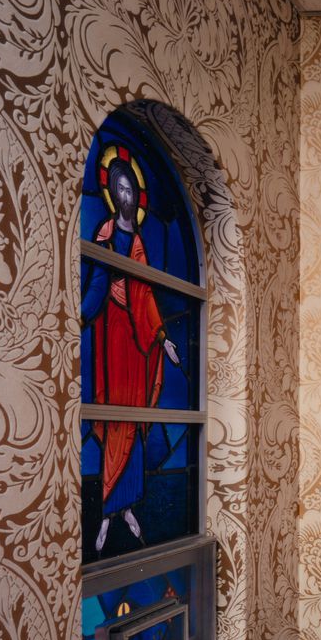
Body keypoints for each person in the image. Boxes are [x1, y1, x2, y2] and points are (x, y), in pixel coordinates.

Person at [81, 147, 180, 552]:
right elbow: (99, 283)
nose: (124, 194)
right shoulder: (104, 233)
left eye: (129, 188)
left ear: (136, 197)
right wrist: (81, 315)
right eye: (119, 187)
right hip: (112, 333)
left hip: (137, 340)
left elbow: (145, 295)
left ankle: (126, 507)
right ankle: (106, 511)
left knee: (132, 420)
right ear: (111, 192)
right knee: (114, 418)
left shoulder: (137, 241)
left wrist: (161, 338)